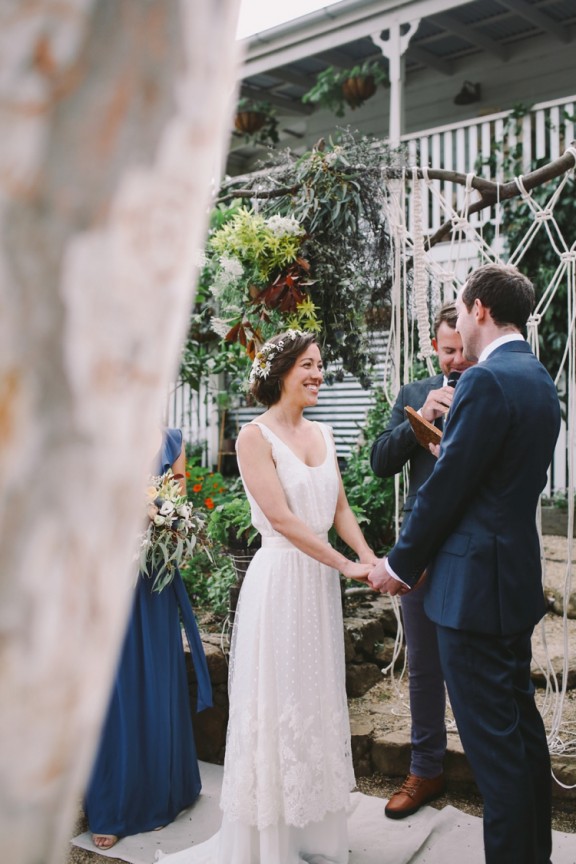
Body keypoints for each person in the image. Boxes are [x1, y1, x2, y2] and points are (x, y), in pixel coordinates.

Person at [160, 329, 378, 864]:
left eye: (321, 365)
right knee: (276, 700)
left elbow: (339, 511)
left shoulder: (324, 433)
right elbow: (281, 518)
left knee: (313, 697)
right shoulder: (255, 438)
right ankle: (270, 841)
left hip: (317, 586)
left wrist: (369, 557)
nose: (318, 374)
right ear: (280, 372)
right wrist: (346, 564)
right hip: (280, 580)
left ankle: (312, 829)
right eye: (307, 364)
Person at [369, 264, 561, 864]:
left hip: (471, 593)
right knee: (522, 738)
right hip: (510, 586)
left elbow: (447, 487)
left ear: (478, 309)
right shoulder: (538, 380)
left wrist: (398, 565)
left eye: (460, 307)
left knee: (493, 754)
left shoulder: (485, 382)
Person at [370, 301, 474, 818]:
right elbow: (379, 461)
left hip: (473, 548)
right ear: (435, 347)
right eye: (447, 350)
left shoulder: (489, 391)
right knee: (424, 666)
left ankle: (491, 773)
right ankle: (426, 769)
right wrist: (422, 420)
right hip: (419, 551)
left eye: (463, 350)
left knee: (475, 666)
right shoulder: (414, 393)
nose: (456, 361)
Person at [85, 427, 212, 849]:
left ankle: (162, 796)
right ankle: (112, 805)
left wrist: (163, 517)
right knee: (113, 689)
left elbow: (180, 508)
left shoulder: (170, 441)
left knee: (158, 680)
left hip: (153, 578)